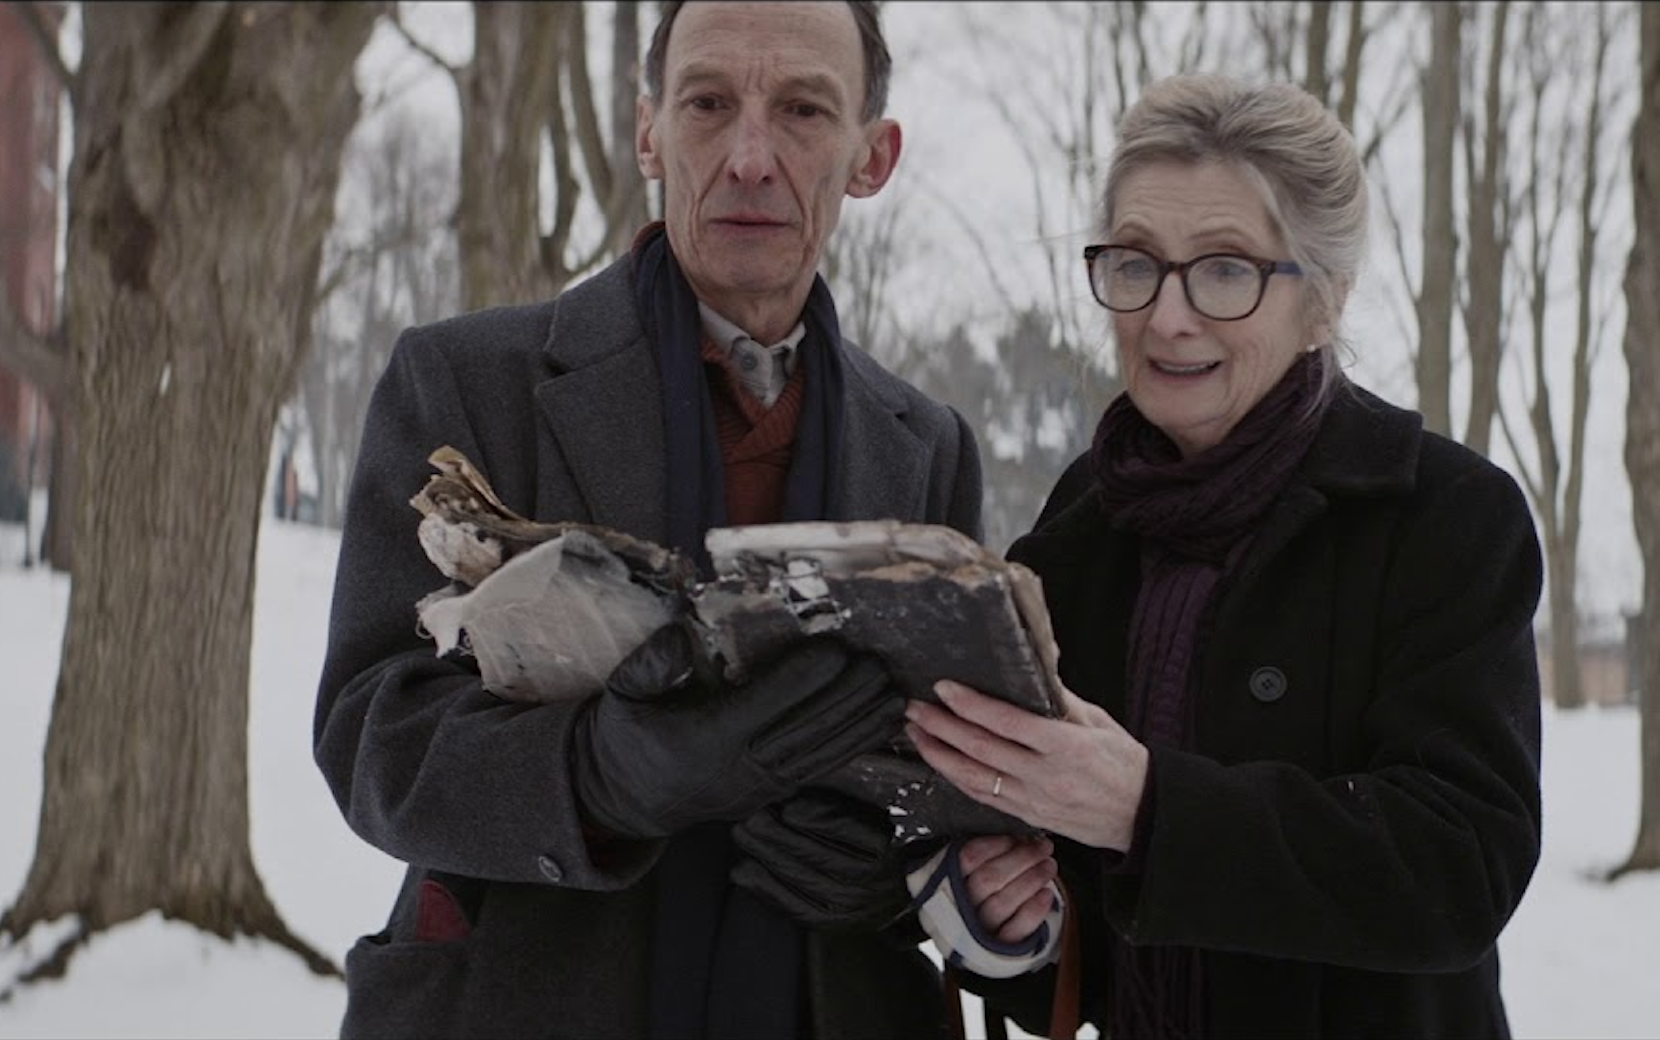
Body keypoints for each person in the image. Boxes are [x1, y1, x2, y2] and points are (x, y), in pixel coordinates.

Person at [313, 2, 1054, 1036]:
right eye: (709, 103)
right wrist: (599, 773)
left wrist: (889, 877)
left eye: (802, 109)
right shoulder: (466, 379)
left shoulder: (927, 445)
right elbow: (369, 730)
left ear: (870, 156)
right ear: (648, 131)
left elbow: (941, 765)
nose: (750, 155)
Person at [904, 73, 1546, 1038]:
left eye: (1225, 268)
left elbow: (1458, 866)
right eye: (1136, 263)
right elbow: (1070, 901)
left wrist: (1151, 809)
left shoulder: (1446, 518)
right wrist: (1013, 921)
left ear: (1323, 301)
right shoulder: (1082, 523)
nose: (1168, 315)